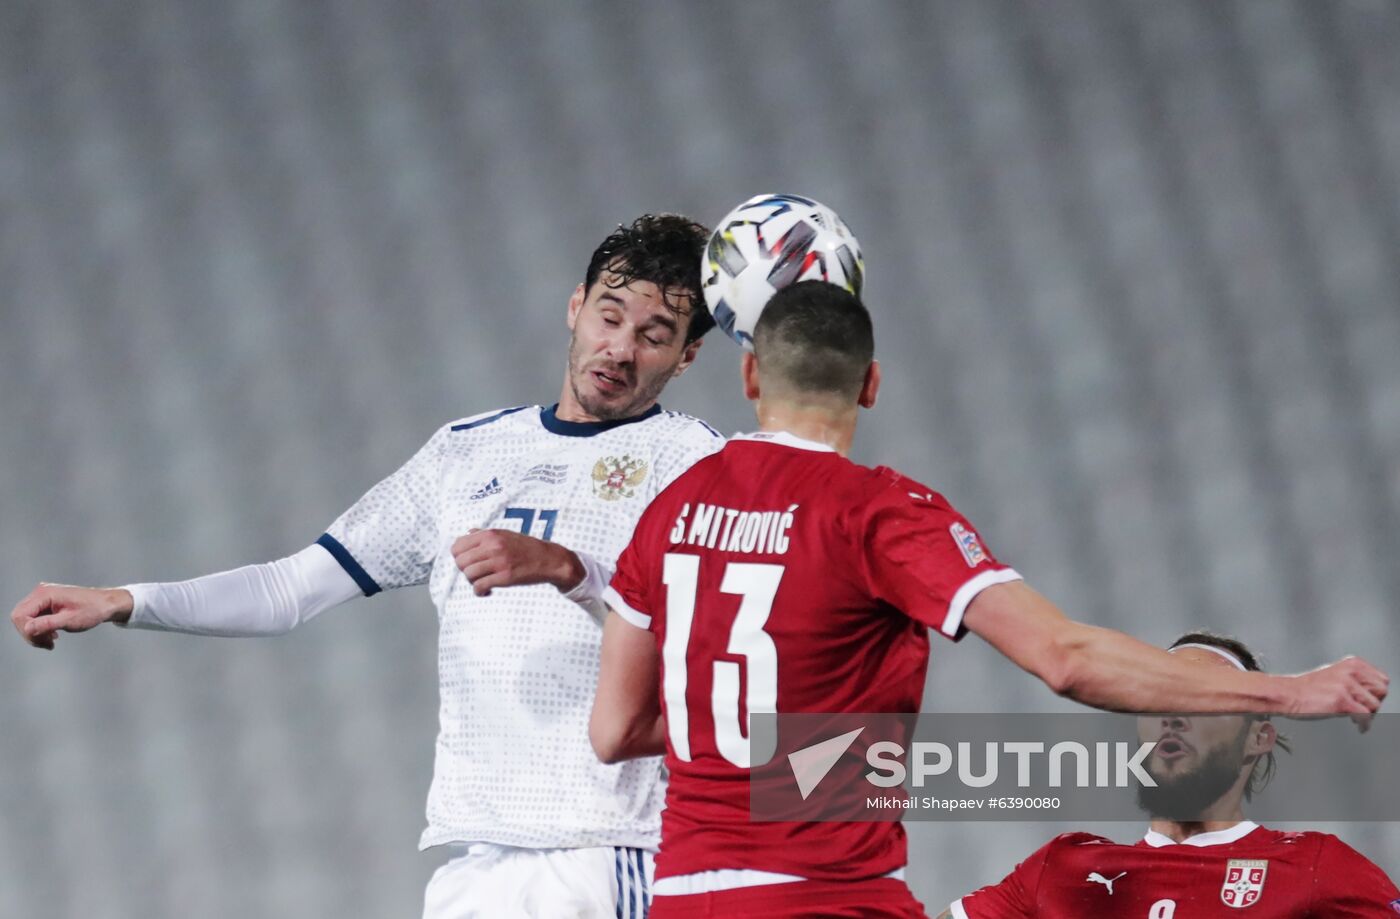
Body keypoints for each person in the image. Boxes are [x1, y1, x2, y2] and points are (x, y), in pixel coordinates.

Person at [588, 281, 1389, 918]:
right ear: (870, 385)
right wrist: (1290, 689)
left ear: (751, 374)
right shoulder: (880, 512)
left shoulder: (670, 506)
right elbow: (1066, 660)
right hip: (827, 897)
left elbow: (615, 728)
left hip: (682, 897)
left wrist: (775, 748)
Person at [11, 214, 725, 918]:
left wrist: (572, 570)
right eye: (609, 317)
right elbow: (290, 588)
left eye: (653, 335)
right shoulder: (465, 453)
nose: (620, 348)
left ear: (686, 356)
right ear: (575, 305)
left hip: (606, 853)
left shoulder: (697, 466)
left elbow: (714, 652)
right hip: (474, 859)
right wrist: (124, 599)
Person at [944, 632, 1400, 918]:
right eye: (1158, 700)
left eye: (1202, 702)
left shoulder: (1318, 870)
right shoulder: (1063, 868)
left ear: (1258, 738)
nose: (1172, 716)